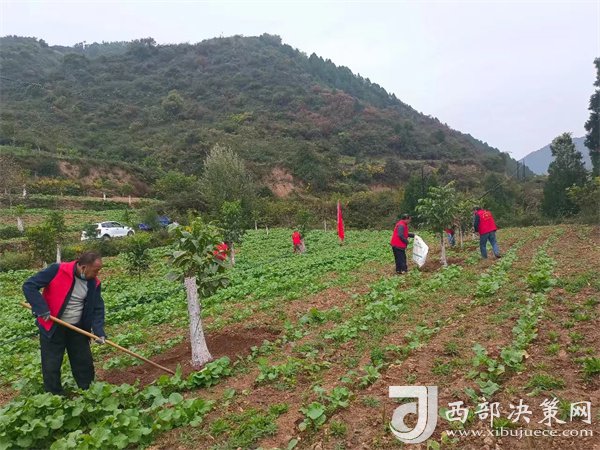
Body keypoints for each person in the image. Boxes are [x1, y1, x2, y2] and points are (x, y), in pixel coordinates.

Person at [22, 252, 106, 395]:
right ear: (84, 267)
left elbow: (97, 307)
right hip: (53, 327)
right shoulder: (58, 270)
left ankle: (88, 392)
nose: (97, 274)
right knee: (51, 365)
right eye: (96, 270)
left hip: (77, 328)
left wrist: (99, 331)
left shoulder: (94, 283)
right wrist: (41, 308)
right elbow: (29, 286)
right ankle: (54, 396)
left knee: (83, 362)